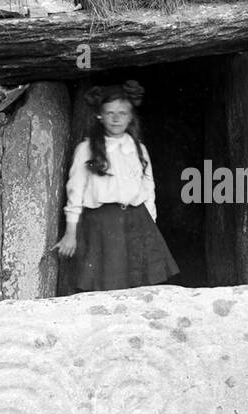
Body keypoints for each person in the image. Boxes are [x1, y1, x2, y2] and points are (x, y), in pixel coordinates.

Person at [54, 80, 180, 291]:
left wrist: (151, 225)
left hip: (137, 221)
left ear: (130, 117)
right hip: (103, 225)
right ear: (100, 116)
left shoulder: (138, 149)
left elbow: (148, 189)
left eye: (122, 113)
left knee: (140, 286)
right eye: (110, 112)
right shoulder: (87, 149)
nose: (115, 118)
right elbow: (75, 192)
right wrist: (70, 233)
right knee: (106, 285)